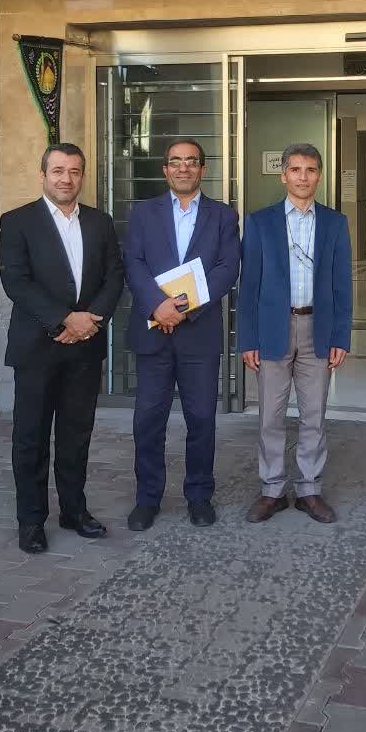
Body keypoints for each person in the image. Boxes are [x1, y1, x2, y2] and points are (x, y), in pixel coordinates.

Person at [0, 143, 124, 555]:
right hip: (37, 348)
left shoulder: (100, 222)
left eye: (74, 171)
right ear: (43, 175)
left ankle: (74, 511)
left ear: (82, 176)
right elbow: (16, 282)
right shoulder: (17, 221)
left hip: (84, 349)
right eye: (57, 170)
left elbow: (114, 276)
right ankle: (31, 521)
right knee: (31, 439)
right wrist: (64, 319)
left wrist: (89, 321)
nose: (66, 179)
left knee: (76, 436)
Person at [123, 138, 240, 531]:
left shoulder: (223, 216)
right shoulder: (143, 213)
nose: (183, 168)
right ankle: (147, 499)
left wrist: (183, 308)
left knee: (202, 418)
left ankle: (199, 496)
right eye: (176, 161)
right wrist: (158, 306)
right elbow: (133, 262)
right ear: (165, 169)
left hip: (199, 334)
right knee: (148, 420)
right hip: (153, 331)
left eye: (191, 161)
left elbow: (227, 268)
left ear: (203, 169)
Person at [238, 143, 352, 525]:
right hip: (273, 329)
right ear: (283, 175)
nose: (303, 177)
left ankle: (309, 490)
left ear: (319, 175)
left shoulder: (335, 223)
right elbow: (249, 285)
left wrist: (341, 336)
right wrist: (248, 339)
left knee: (313, 415)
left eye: (311, 170)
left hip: (318, 329)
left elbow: (342, 285)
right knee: (270, 416)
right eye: (296, 169)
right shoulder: (260, 222)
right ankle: (271, 490)